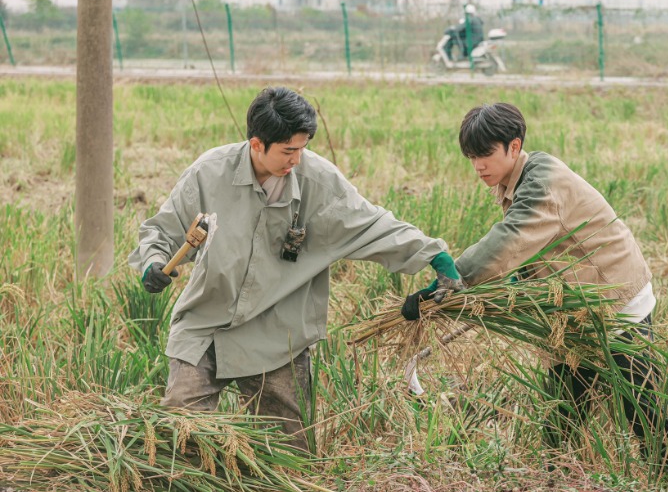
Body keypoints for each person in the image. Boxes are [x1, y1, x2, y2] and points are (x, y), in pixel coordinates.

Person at [129, 86, 464, 452]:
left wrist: (434, 254)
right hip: (206, 322)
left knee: (288, 453)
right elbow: (163, 229)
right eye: (288, 151)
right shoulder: (209, 174)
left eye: (302, 149)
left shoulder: (318, 180)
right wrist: (153, 262)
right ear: (257, 145)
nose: (297, 160)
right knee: (180, 436)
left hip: (277, 333)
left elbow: (372, 224)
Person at [401, 102, 661, 445]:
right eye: (471, 157)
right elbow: (534, 247)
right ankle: (558, 473)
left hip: (614, 299)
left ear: (514, 146)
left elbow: (511, 239)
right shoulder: (517, 178)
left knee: (643, 410)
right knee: (564, 411)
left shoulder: (544, 181)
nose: (478, 166)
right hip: (574, 307)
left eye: (486, 154)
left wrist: (452, 279)